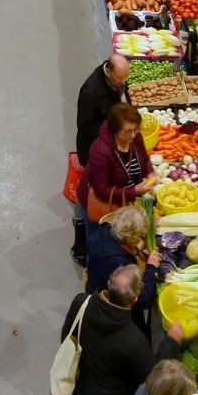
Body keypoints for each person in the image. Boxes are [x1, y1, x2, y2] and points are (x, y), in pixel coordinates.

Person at [63, 263, 182, 395]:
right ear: (135, 300)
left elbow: (67, 338)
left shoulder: (82, 303)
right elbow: (152, 380)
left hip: (84, 390)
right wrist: (171, 342)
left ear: (109, 285)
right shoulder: (133, 340)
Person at [72, 54, 130, 265]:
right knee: (88, 198)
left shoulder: (118, 80)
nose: (123, 83)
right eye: (120, 79)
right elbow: (85, 128)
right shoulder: (91, 91)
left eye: (125, 78)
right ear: (109, 71)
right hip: (94, 150)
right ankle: (80, 245)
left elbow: (124, 98)